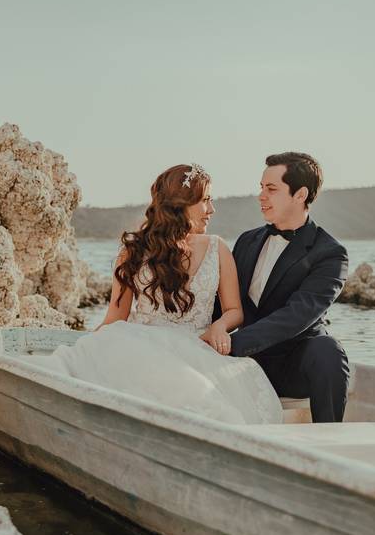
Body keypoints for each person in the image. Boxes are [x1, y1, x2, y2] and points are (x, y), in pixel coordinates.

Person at [35, 164, 283, 425]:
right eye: (206, 200)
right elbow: (115, 318)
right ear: (182, 204)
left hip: (194, 349)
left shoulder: (217, 248)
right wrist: (87, 349)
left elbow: (235, 311)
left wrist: (220, 326)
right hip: (137, 348)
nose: (212, 210)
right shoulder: (132, 251)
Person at [216, 152, 350, 423]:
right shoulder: (246, 241)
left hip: (292, 364)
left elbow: (297, 316)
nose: (261, 196)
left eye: (272, 189)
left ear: (300, 195)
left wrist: (231, 344)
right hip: (244, 363)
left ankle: (329, 441)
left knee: (328, 351)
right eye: (261, 187)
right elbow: (224, 302)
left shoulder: (330, 253)